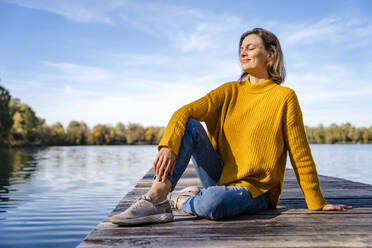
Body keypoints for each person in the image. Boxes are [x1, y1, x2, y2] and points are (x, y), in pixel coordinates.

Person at [110, 27, 352, 226]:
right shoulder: (229, 91)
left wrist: (316, 202)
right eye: (241, 49)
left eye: (251, 47)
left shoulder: (284, 97)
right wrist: (168, 146)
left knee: (213, 203)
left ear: (270, 55)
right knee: (191, 125)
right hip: (222, 177)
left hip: (257, 190)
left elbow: (300, 154)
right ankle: (156, 198)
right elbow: (183, 112)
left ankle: (179, 200)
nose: (243, 53)